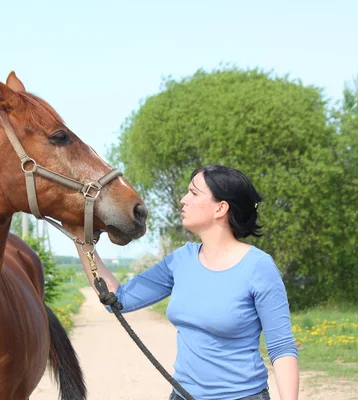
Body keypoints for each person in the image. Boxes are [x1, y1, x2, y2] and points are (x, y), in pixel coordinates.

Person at [67, 165, 299, 400]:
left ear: (221, 208)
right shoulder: (181, 260)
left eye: (194, 193)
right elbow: (119, 300)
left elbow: (281, 348)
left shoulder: (259, 267)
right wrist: (82, 243)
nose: (182, 200)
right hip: (182, 395)